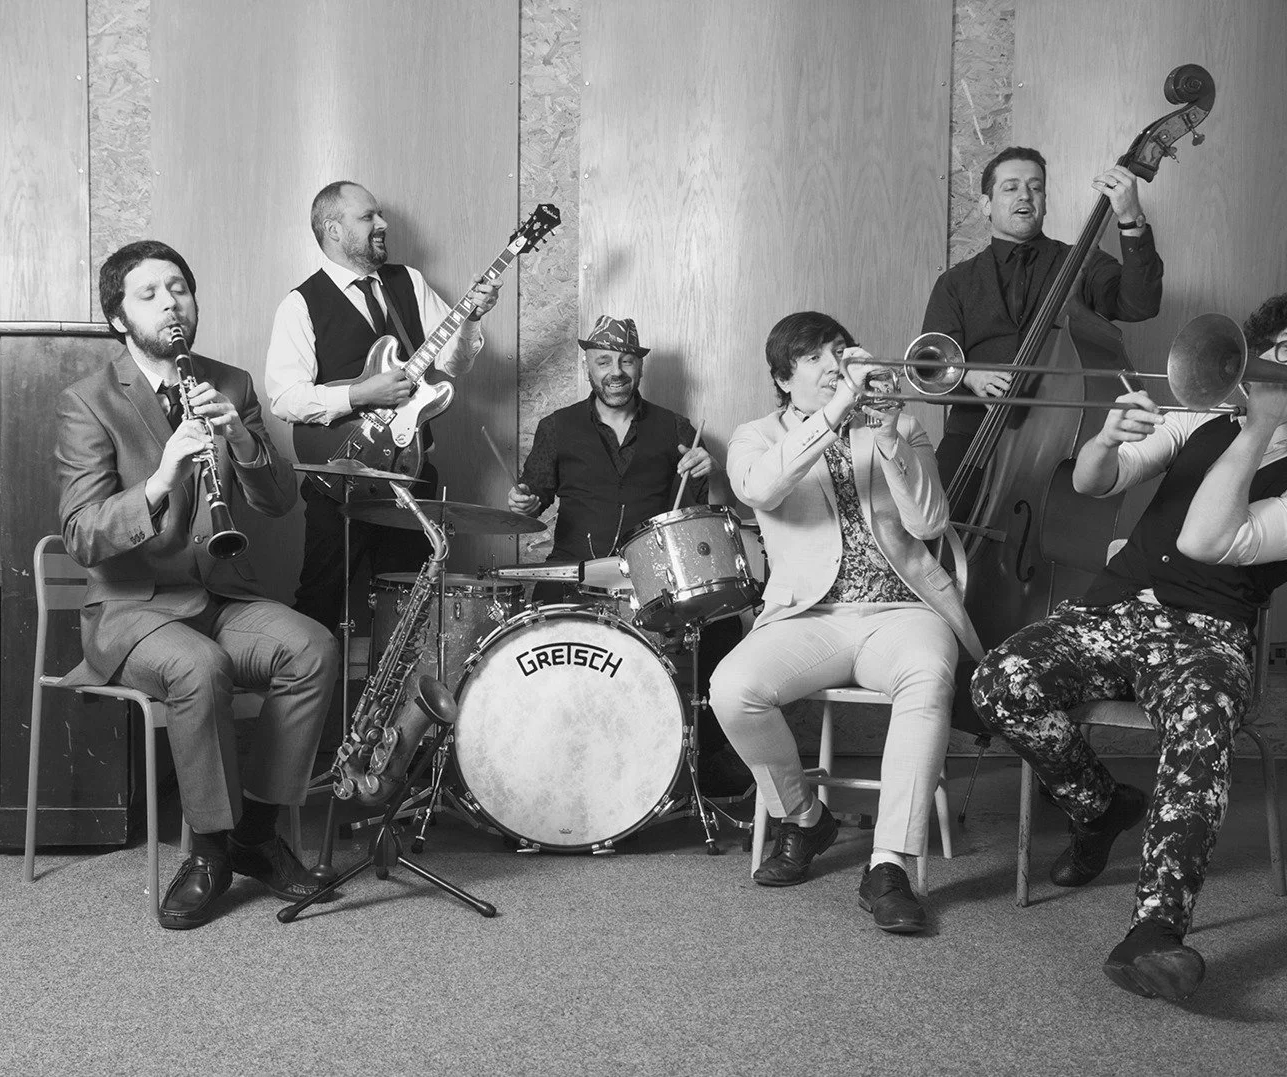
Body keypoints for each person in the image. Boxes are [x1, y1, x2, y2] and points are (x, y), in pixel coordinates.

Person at [971, 292, 1287, 999]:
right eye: (1268, 346)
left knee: (1200, 727)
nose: (1267, 359)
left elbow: (1205, 540)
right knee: (998, 681)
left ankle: (1156, 930)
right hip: (1115, 608)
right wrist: (1105, 439)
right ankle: (1101, 807)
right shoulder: (1201, 418)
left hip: (1207, 637)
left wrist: (1260, 428)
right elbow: (1096, 483)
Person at [57, 240, 340, 930]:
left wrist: (238, 438)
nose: (171, 303)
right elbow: (83, 534)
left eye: (179, 288)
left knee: (313, 647)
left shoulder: (230, 384)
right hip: (132, 610)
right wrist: (160, 479)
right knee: (199, 666)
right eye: (150, 294)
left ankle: (257, 834)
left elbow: (279, 501)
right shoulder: (88, 400)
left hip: (219, 595)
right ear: (119, 318)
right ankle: (209, 850)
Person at [711, 312, 982, 933]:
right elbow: (762, 490)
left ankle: (888, 864)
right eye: (813, 357)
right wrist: (835, 413)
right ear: (784, 378)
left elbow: (931, 524)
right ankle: (805, 818)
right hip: (810, 616)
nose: (834, 364)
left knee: (927, 678)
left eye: (838, 350)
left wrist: (888, 437)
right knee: (732, 689)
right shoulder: (755, 438)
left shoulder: (899, 423)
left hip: (901, 610)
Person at [507, 315, 748, 794]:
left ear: (639, 366)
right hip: (574, 573)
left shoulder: (676, 427)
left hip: (651, 577)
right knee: (533, 632)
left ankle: (704, 755)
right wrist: (524, 502)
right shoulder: (556, 427)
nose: (615, 371)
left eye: (625, 361)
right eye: (603, 361)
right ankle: (547, 754)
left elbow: (709, 511)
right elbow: (534, 496)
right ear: (589, 367)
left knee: (723, 627)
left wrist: (714, 473)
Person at [266, 181, 502, 629]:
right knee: (320, 598)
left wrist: (471, 318)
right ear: (333, 230)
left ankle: (401, 679)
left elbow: (452, 364)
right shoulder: (300, 304)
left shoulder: (408, 281)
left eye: (379, 215)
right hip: (340, 478)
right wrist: (361, 394)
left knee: (410, 605)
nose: (382, 223)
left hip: (410, 475)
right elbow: (284, 398)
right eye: (368, 216)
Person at [922, 146, 1165, 482]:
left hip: (1059, 440)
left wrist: (1130, 220)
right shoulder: (954, 282)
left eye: (1035, 188)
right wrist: (969, 377)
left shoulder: (1082, 263)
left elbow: (1140, 304)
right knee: (940, 513)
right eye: (1011, 187)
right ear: (985, 205)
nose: (1025, 195)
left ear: (1045, 202)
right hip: (972, 436)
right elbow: (928, 371)